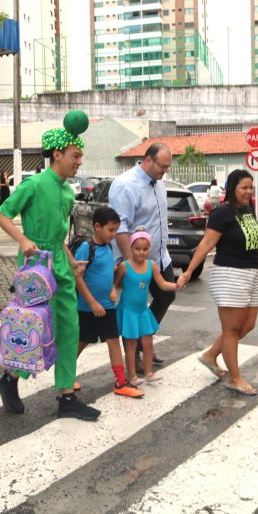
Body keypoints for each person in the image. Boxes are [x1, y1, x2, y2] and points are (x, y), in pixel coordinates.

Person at [0, 111, 101, 421]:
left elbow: (60, 237)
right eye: (75, 155)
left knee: (69, 328)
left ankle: (66, 395)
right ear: (57, 154)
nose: (79, 161)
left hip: (61, 267)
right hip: (36, 267)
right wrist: (23, 240)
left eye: (80, 156)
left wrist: (71, 262)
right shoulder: (35, 185)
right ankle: (10, 379)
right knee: (33, 327)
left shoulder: (68, 190)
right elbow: (0, 214)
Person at [178, 169, 258, 396]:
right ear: (232, 188)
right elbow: (206, 244)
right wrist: (189, 271)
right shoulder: (222, 213)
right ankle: (235, 378)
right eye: (244, 188)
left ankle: (211, 355)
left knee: (247, 325)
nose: (248, 192)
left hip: (250, 274)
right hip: (230, 275)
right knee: (231, 329)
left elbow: (256, 243)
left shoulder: (248, 210)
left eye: (251, 187)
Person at [108, 142, 176, 368]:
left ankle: (142, 342)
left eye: (168, 167)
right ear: (148, 160)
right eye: (162, 166)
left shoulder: (158, 184)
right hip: (134, 260)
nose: (165, 171)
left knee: (166, 296)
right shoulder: (126, 185)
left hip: (158, 257)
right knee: (132, 307)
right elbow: (121, 227)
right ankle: (135, 350)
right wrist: (131, 264)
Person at [74, 207, 144, 398]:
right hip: (89, 307)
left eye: (116, 230)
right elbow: (77, 277)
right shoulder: (86, 248)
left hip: (107, 305)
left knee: (113, 341)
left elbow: (106, 272)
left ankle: (121, 383)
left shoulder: (108, 246)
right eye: (111, 230)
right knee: (82, 341)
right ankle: (66, 375)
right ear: (97, 227)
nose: (114, 235)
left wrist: (113, 287)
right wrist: (91, 302)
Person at [115, 227, 178, 385]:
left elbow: (162, 284)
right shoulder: (124, 266)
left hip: (142, 311)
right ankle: (133, 376)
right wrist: (112, 293)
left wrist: (177, 285)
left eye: (145, 249)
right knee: (131, 344)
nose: (141, 252)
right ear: (131, 248)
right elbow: (115, 284)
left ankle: (149, 372)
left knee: (148, 342)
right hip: (128, 311)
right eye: (137, 249)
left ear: (149, 249)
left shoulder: (152, 265)